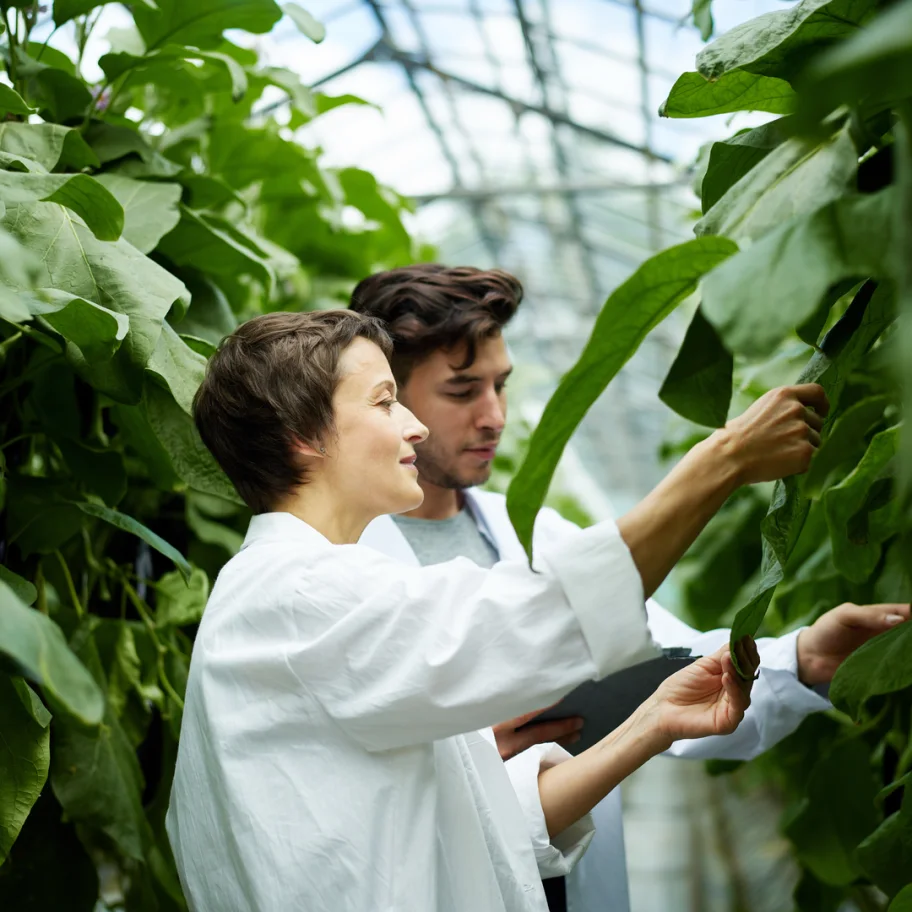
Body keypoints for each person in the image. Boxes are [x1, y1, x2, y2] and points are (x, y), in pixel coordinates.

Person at [165, 307, 834, 912]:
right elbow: (529, 621)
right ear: (302, 438)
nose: (414, 426)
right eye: (386, 401)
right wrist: (724, 459)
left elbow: (478, 823)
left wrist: (652, 722)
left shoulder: (311, 592)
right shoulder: (300, 595)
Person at [350, 264, 911, 912]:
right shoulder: (347, 564)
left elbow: (674, 673)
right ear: (388, 398)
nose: (494, 416)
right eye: (462, 390)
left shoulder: (536, 534)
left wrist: (804, 657)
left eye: (501, 386)